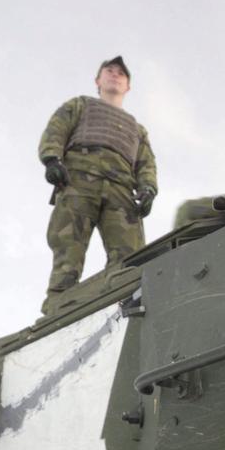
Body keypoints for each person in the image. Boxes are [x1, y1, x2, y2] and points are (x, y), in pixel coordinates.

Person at [38, 55, 157, 302]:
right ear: (98, 80)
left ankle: (123, 300)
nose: (115, 75)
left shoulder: (137, 129)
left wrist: (148, 189)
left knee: (129, 257)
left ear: (128, 86)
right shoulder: (81, 105)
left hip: (122, 190)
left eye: (121, 74)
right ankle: (57, 309)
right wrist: (52, 159)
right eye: (109, 70)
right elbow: (56, 129)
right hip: (79, 180)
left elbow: (146, 163)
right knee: (68, 251)